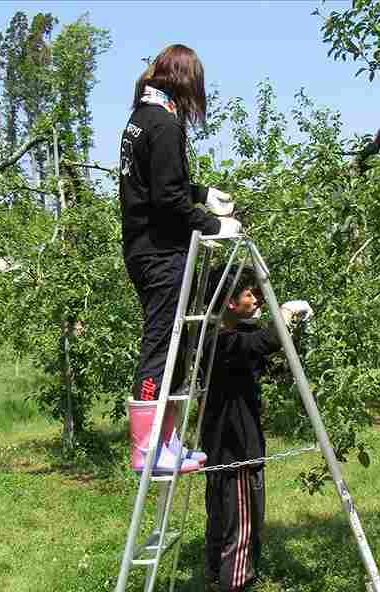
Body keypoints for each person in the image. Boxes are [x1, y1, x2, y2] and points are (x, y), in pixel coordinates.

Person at [120, 44, 242, 473]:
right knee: (160, 348)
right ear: (187, 82)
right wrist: (214, 226)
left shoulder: (142, 117)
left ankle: (165, 443)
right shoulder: (166, 124)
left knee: (174, 345)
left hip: (142, 248)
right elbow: (168, 201)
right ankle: (147, 451)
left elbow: (156, 186)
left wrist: (203, 194)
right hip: (159, 254)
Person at [200, 265, 312, 592]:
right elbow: (265, 341)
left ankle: (215, 577)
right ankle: (236, 582)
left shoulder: (221, 335)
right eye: (249, 294)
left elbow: (267, 352)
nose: (256, 298)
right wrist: (285, 314)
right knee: (242, 523)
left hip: (222, 445)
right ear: (230, 303)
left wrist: (293, 330)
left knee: (222, 519)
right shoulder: (220, 342)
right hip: (236, 449)